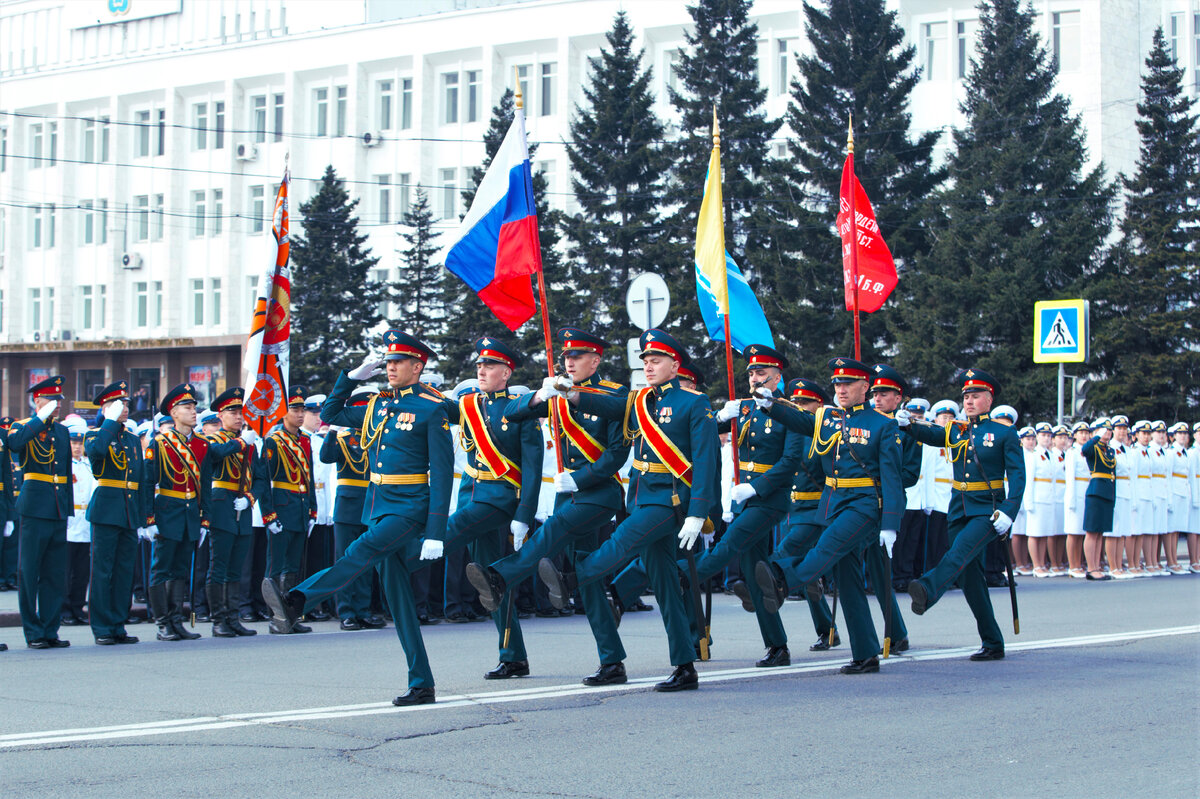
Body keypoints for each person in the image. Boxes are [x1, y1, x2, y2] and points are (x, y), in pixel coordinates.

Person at [264, 330, 453, 706]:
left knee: (358, 551)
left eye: (398, 362)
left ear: (418, 366)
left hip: (411, 508)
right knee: (399, 603)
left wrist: (436, 531)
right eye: (388, 363)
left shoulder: (432, 409)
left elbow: (443, 473)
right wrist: (351, 378)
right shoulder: (378, 406)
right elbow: (330, 416)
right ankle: (422, 682)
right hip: (380, 506)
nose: (390, 368)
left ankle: (297, 599)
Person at [539, 329, 719, 691]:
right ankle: (685, 665)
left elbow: (706, 460)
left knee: (624, 539)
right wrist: (569, 392)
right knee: (666, 584)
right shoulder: (638, 401)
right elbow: (606, 404)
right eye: (646, 362)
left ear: (675, 364)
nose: (649, 367)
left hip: (670, 501)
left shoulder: (694, 403)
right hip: (642, 496)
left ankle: (574, 579)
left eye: (656, 361)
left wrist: (699, 512)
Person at [466, 327, 631, 686]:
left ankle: (499, 575)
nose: (569, 362)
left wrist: (583, 478)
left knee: (554, 531)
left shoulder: (613, 394)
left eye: (577, 357)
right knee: (587, 575)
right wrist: (540, 393)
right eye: (566, 358)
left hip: (599, 494)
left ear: (595, 360)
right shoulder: (557, 393)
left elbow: (618, 452)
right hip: (565, 494)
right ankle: (612, 661)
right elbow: (510, 410)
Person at [754, 357, 905, 675]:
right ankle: (865, 653)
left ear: (865, 387)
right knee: (847, 581)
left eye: (848, 383)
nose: (841, 389)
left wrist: (890, 522)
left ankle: (783, 580)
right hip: (835, 502)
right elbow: (800, 421)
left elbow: (892, 477)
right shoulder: (828, 419)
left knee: (826, 547)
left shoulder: (883, 424)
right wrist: (771, 405)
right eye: (837, 384)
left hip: (865, 504)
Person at [896, 368, 1025, 662]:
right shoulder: (957, 429)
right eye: (966, 395)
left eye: (975, 395)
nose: (968, 400)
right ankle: (992, 641)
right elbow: (934, 434)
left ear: (989, 399)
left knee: (958, 552)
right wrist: (909, 426)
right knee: (970, 577)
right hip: (959, 506)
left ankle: (927, 589)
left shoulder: (1004, 433)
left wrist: (1009, 511)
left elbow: (1018, 477)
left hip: (987, 509)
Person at [437, 337, 543, 678]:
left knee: (443, 537)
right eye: (479, 365)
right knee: (490, 580)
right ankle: (513, 656)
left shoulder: (521, 410)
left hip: (497, 501)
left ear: (506, 372)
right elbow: (433, 410)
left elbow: (532, 467)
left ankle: (396, 556)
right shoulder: (470, 406)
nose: (482, 370)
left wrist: (524, 515)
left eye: (490, 366)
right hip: (470, 494)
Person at [764, 377, 838, 652]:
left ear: (819, 405)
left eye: (804, 402)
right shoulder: (789, 431)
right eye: (794, 403)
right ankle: (827, 630)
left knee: (782, 558)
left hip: (816, 511)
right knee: (808, 574)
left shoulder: (825, 434)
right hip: (792, 512)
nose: (799, 407)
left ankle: (762, 592)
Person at [141, 383, 211, 642]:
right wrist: (148, 519)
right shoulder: (160, 443)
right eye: (187, 407)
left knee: (180, 569)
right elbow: (148, 482)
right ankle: (162, 623)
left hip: (190, 513)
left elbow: (205, 484)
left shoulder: (202, 445)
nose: (193, 412)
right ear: (173, 412)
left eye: (194, 407)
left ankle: (176, 620)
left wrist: (205, 519)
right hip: (167, 512)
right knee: (162, 568)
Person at [8, 376, 74, 649]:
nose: (57, 405)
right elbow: (15, 446)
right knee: (29, 571)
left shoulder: (61, 432)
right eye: (52, 400)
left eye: (59, 400)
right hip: (35, 507)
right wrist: (39, 418)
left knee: (54, 573)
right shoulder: (21, 426)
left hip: (57, 507)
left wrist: (67, 509)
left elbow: (65, 473)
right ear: (37, 401)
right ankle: (33, 631)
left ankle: (50, 629)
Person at [319, 386, 386, 631]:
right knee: (345, 560)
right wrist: (332, 430)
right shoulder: (341, 438)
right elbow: (326, 457)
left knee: (366, 560)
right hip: (347, 507)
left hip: (370, 504)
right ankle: (346, 611)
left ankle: (363, 610)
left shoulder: (376, 437)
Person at [84, 381, 145, 644]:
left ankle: (118, 623)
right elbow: (97, 452)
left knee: (123, 572)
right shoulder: (95, 434)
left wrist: (143, 517)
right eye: (118, 404)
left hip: (129, 511)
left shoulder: (132, 439)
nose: (125, 409)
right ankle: (101, 627)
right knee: (103, 571)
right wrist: (108, 422)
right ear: (106, 408)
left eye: (127, 404)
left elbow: (140, 478)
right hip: (107, 510)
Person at [201, 387, 263, 637]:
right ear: (221, 415)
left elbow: (259, 477)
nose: (238, 417)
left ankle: (233, 616)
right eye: (233, 412)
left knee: (237, 566)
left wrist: (250, 499)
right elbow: (213, 456)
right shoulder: (213, 440)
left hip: (242, 507)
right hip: (221, 504)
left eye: (241, 412)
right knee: (220, 564)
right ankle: (218, 618)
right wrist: (239, 442)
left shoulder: (250, 445)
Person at [258, 386, 318, 633]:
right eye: (295, 409)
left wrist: (313, 509)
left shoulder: (304, 440)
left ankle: (291, 615)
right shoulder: (273, 441)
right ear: (283, 412)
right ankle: (275, 616)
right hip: (282, 508)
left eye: (302, 409)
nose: (300, 414)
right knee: (277, 565)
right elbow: (262, 479)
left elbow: (309, 476)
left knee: (294, 566)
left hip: (301, 507)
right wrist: (269, 514)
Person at [301, 394, 336, 621]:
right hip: (306, 501)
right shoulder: (299, 440)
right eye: (312, 413)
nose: (317, 418)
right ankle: (306, 604)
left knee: (321, 558)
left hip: (322, 503)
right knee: (304, 559)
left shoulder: (318, 441)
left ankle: (320, 603)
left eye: (319, 414)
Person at [62, 418, 95, 627]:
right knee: (65, 570)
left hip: (84, 524)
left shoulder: (88, 465)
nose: (77, 447)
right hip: (68, 522)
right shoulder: (64, 465)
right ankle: (64, 609)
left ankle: (77, 607)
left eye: (80, 443)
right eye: (73, 443)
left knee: (82, 572)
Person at [1079, 418, 1117, 581]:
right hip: (1096, 491)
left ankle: (1097, 566)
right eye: (1104, 430)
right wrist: (1095, 437)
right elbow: (1085, 449)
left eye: (1109, 430)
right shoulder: (1093, 447)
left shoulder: (1110, 451)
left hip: (1107, 491)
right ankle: (1091, 567)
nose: (1107, 433)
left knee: (1100, 532)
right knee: (1092, 531)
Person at [1026, 422, 1059, 576]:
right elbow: (1029, 480)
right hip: (1037, 498)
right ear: (1038, 437)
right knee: (1035, 533)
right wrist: (1029, 502)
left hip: (1048, 498)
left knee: (1044, 532)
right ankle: (1036, 565)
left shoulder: (1051, 455)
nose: (1046, 438)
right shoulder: (1033, 456)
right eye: (1043, 435)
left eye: (1048, 435)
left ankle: (1042, 564)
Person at [1108, 416, 1136, 579]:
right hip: (1115, 489)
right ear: (1113, 431)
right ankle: (1113, 566)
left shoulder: (1127, 450)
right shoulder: (1110, 448)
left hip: (1126, 489)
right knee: (1114, 530)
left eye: (1125, 429)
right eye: (1119, 428)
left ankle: (1119, 564)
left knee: (1123, 530)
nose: (1122, 431)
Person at [1063, 421, 1091, 578]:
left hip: (1087, 491)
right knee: (1073, 531)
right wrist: (1071, 499)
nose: (1084, 435)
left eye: (1086, 433)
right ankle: (1073, 565)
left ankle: (1080, 563)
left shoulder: (1088, 451)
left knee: (1082, 531)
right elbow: (1070, 477)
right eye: (1081, 433)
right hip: (1076, 491)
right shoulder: (1072, 453)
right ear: (1074, 435)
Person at [1165, 422, 1192, 574]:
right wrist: (1169, 497)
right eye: (1180, 433)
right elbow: (1168, 475)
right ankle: (1170, 561)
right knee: (1171, 529)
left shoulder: (1184, 452)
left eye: (1185, 434)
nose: (1183, 436)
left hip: (1182, 490)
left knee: (1176, 529)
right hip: (1174, 491)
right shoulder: (1171, 452)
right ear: (1174, 436)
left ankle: (1174, 559)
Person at [1011, 425, 1037, 574]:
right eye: (1028, 439)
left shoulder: (1032, 455)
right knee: (1016, 532)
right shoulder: (1021, 454)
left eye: (1033, 439)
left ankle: (1023, 562)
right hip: (1019, 495)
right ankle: (1018, 563)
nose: (1031, 442)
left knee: (1022, 532)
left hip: (1028, 495)